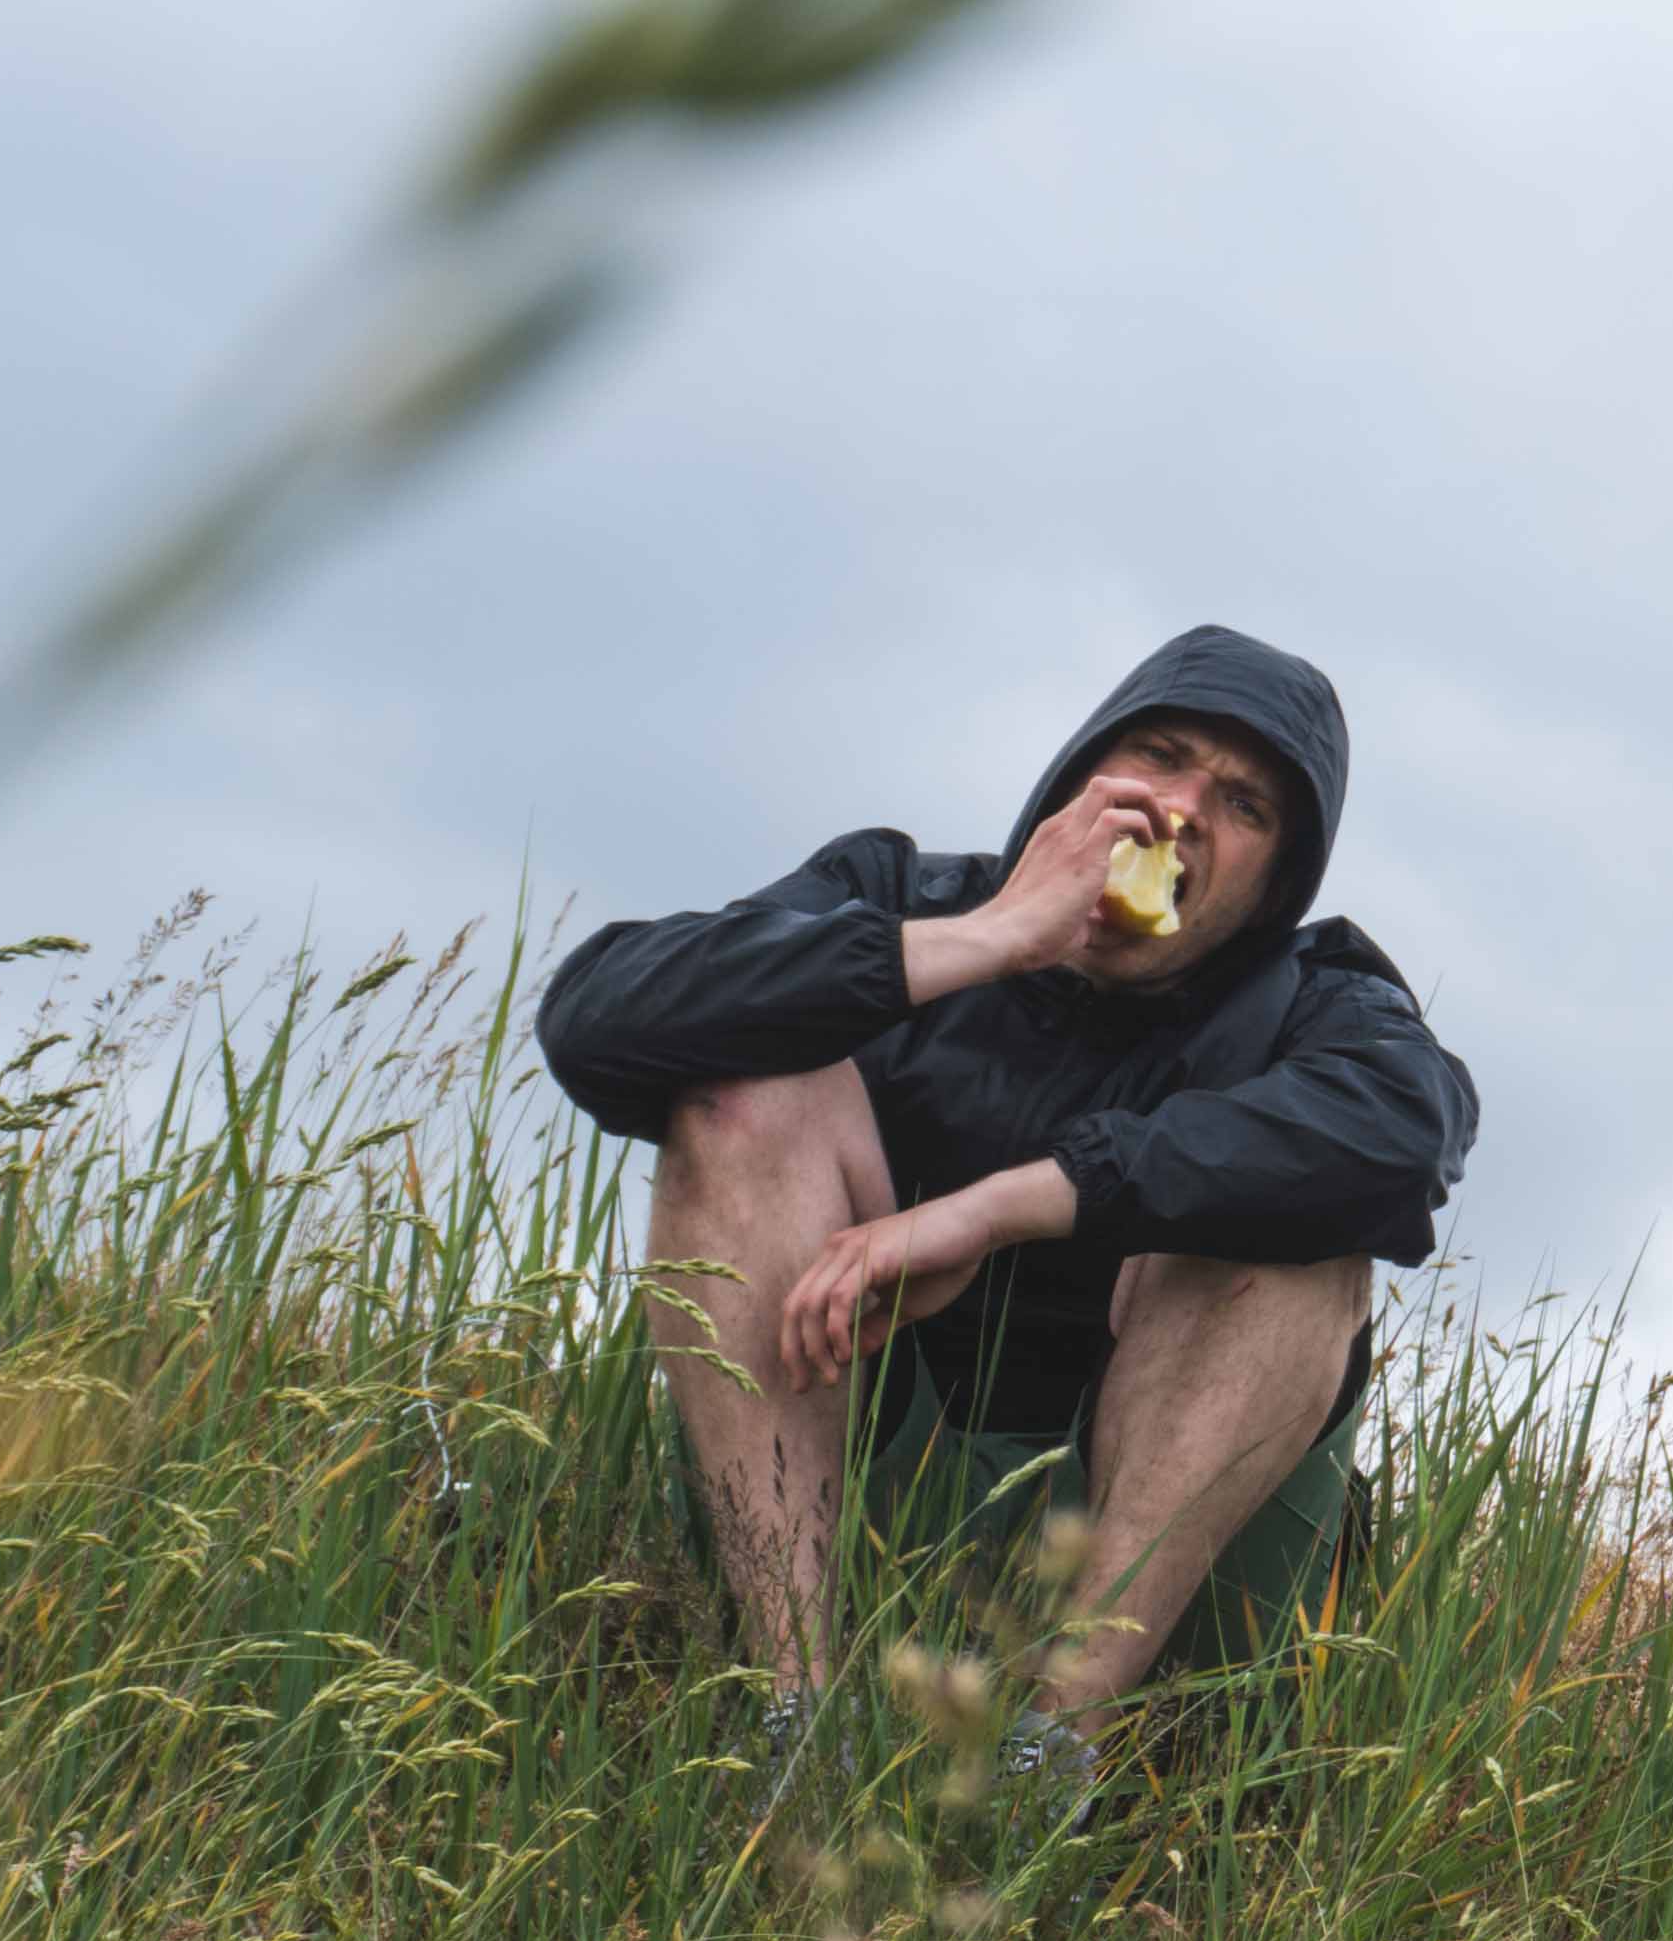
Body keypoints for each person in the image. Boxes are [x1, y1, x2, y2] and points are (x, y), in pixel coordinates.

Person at [538, 625, 1478, 1790]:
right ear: (1080, 776)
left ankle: (1048, 1757)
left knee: (1299, 1239)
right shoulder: (905, 898)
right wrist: (980, 943)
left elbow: (1406, 1134)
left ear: (1278, 884)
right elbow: (596, 1015)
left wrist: (1002, 1209)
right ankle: (797, 1719)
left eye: (1243, 806)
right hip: (852, 1486)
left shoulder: (1319, 1002)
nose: (1181, 811)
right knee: (743, 1093)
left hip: (1167, 1572)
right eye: (1160, 757)